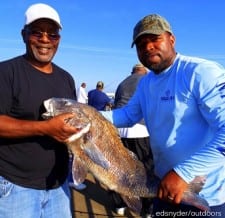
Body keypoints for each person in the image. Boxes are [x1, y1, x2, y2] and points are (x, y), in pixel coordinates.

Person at [101, 14, 225, 218]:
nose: (148, 47)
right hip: (163, 189)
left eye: (154, 39)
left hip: (204, 196)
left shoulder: (200, 72)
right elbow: (126, 115)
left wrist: (182, 173)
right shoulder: (146, 83)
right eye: (141, 44)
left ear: (172, 39)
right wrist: (84, 114)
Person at [0, 3, 80, 218]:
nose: (45, 40)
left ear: (59, 40)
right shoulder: (6, 72)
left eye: (52, 35)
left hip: (59, 186)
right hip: (16, 187)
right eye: (37, 32)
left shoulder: (66, 79)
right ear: (24, 35)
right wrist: (45, 128)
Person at [110, 63, 154, 216]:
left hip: (120, 130)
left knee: (119, 169)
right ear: (145, 71)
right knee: (146, 170)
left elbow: (116, 104)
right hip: (141, 130)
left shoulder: (122, 83)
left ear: (132, 71)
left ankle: (119, 204)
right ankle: (147, 208)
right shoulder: (148, 80)